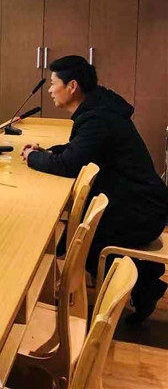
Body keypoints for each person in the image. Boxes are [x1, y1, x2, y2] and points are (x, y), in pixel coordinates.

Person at [21, 55, 168, 324]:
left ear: (72, 86)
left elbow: (69, 165)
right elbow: (79, 151)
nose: (50, 89)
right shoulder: (98, 110)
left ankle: (144, 287)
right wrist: (47, 153)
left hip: (141, 212)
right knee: (71, 236)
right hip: (136, 203)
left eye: (53, 83)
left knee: (80, 241)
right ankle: (146, 281)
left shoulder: (98, 119)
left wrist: (33, 158)